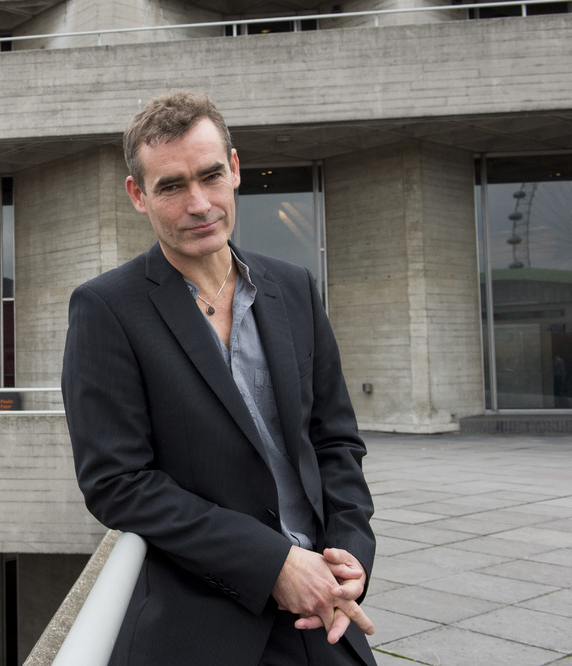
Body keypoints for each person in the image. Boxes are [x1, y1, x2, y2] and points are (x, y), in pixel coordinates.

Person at [61, 90, 377, 666]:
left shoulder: (295, 288)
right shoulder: (106, 309)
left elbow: (335, 441)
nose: (199, 203)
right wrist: (273, 564)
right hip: (207, 624)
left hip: (325, 612)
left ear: (235, 169)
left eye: (210, 175)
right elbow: (117, 482)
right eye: (172, 185)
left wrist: (352, 552)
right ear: (139, 195)